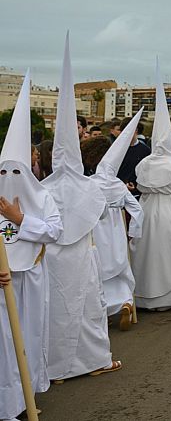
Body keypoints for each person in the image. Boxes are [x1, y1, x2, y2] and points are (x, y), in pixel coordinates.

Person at [41, 37, 120, 382]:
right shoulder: (90, 186)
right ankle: (92, 361)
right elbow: (101, 216)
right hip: (82, 256)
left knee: (55, 310)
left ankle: (54, 367)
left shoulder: (40, 188)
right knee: (87, 309)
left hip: (51, 259)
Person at [0, 71, 63, 421]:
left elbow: (54, 232)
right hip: (1, 283)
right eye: (2, 173)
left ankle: (25, 396)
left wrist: (21, 219)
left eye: (16, 174)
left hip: (32, 281)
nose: (9, 181)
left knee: (27, 337)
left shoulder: (44, 198)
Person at [130, 61, 171, 311]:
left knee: (147, 254)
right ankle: (166, 299)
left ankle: (144, 296)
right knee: (167, 254)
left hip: (146, 210)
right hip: (169, 211)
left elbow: (140, 183)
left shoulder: (145, 162)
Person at [91, 109, 144, 329]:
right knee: (121, 266)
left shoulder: (90, 183)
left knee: (101, 268)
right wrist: (134, 233)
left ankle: (103, 308)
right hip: (116, 230)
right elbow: (137, 209)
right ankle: (125, 302)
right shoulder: (118, 186)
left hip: (96, 231)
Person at [117, 117, 151, 199]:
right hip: (119, 193)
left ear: (135, 130)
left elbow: (147, 172)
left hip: (138, 194)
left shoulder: (145, 150)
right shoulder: (116, 150)